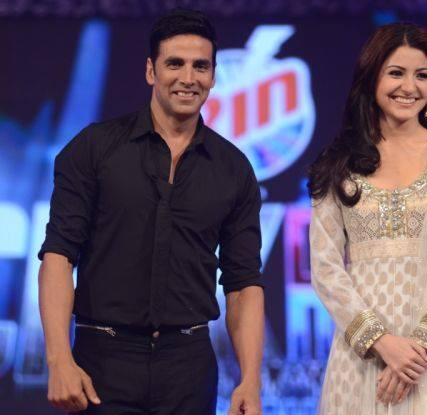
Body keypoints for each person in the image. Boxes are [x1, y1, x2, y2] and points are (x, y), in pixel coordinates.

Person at [38, 9, 264, 415]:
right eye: (174, 64)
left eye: (200, 66)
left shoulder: (234, 169)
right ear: (150, 71)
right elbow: (58, 255)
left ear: (214, 76)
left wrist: (250, 378)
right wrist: (58, 359)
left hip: (189, 368)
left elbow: (243, 283)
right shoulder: (93, 148)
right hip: (102, 363)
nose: (188, 78)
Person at [308, 22, 427, 414]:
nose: (409, 87)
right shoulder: (339, 163)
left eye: (422, 76)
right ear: (371, 79)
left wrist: (419, 350)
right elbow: (326, 268)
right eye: (396, 73)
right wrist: (382, 343)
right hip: (361, 361)